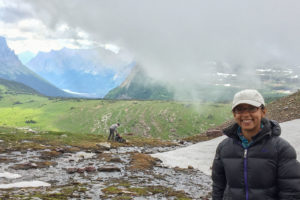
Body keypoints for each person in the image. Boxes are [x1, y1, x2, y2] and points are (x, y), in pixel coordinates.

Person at [212, 89, 300, 200]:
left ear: (263, 111)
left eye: (252, 108)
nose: (245, 114)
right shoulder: (224, 147)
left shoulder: (281, 149)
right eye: (239, 109)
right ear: (234, 114)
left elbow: (291, 192)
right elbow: (218, 187)